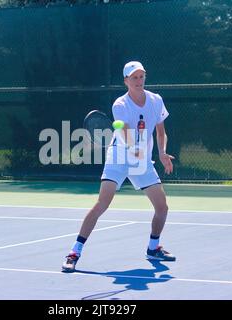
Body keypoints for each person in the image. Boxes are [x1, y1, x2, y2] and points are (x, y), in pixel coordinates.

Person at [62, 61, 175, 272]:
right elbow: (124, 131)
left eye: (141, 76)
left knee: (162, 207)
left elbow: (160, 131)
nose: (139, 81)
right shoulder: (120, 105)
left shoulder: (156, 100)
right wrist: (131, 147)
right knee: (102, 204)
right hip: (119, 155)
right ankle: (74, 252)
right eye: (134, 78)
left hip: (141, 158)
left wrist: (161, 152)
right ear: (126, 81)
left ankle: (153, 247)